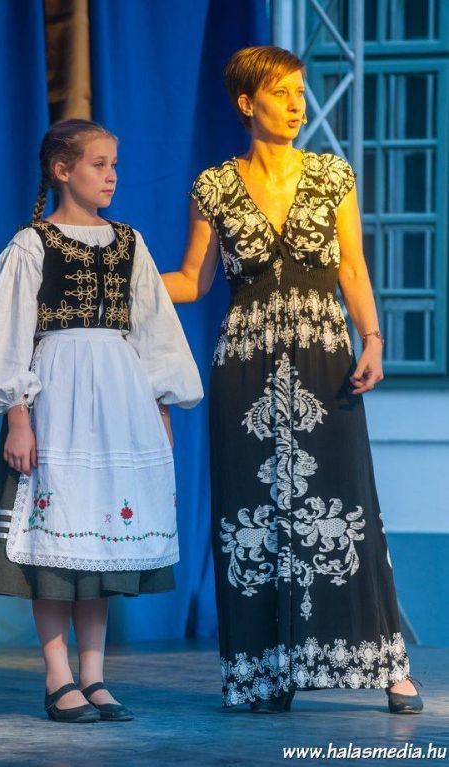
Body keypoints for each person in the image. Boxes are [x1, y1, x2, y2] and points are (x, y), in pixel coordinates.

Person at [162, 46, 422, 714]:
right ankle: (263, 672)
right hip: (245, 364)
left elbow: (352, 269)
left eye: (301, 93)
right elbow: (192, 280)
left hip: (324, 356)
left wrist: (373, 338)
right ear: (247, 103)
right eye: (281, 93)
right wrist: (119, 272)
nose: (296, 105)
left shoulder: (332, 175)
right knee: (250, 515)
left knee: (347, 504)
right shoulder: (213, 186)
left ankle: (387, 665)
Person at [0, 118, 203, 723]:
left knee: (98, 544)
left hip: (121, 402)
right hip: (59, 400)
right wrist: (18, 417)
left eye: (114, 164)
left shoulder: (129, 242)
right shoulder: (33, 244)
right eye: (99, 164)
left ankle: (95, 677)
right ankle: (58, 677)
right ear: (62, 170)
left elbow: (153, 329)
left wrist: (161, 407)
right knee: (55, 546)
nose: (111, 175)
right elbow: (8, 335)